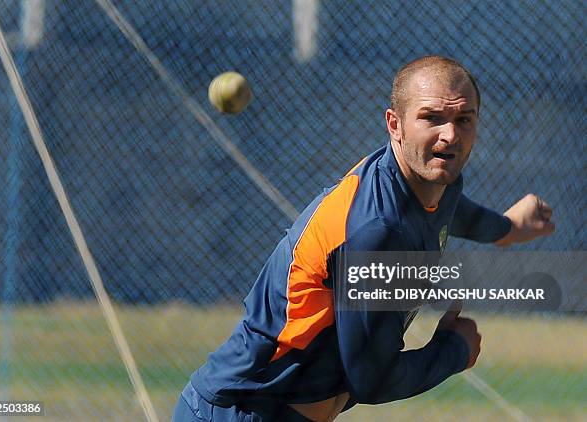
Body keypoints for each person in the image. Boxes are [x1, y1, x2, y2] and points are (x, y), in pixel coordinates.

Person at [173, 56, 555, 421]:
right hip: (238, 413)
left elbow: (455, 210)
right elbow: (373, 379)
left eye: (464, 119)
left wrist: (507, 229)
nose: (450, 135)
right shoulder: (377, 232)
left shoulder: (431, 178)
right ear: (395, 124)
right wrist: (455, 351)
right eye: (431, 118)